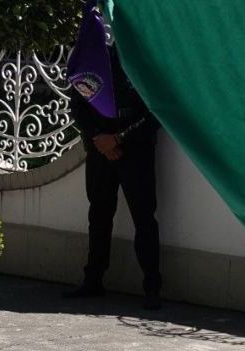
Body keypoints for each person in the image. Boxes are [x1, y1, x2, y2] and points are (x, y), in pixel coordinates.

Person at [64, 43, 164, 310]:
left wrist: (118, 138)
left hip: (136, 152)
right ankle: (93, 280)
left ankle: (152, 288)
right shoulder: (96, 59)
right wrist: (99, 139)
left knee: (144, 218)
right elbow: (79, 104)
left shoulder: (147, 61)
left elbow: (156, 112)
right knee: (98, 215)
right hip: (100, 150)